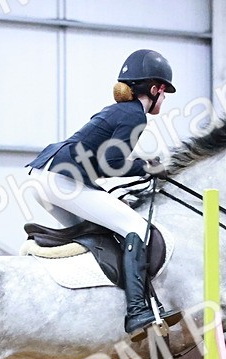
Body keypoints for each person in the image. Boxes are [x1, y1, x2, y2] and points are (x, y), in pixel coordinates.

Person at [26, 49, 176, 336]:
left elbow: (103, 162)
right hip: (63, 180)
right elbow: (113, 162)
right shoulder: (135, 116)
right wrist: (147, 167)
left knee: (98, 234)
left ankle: (93, 302)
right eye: (165, 91)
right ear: (155, 89)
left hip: (44, 176)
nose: (165, 98)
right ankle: (137, 312)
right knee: (136, 227)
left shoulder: (116, 111)